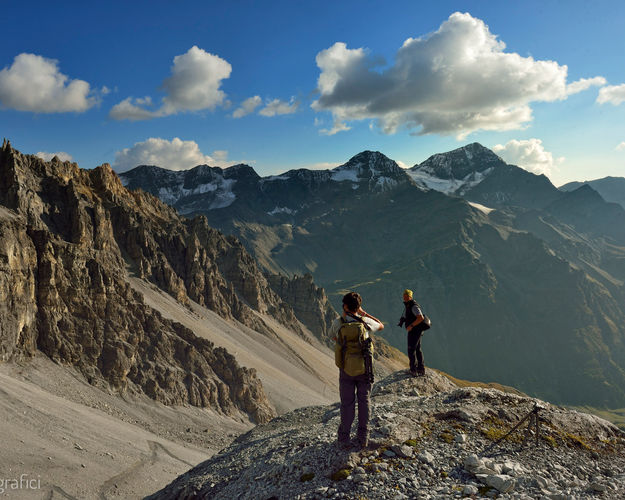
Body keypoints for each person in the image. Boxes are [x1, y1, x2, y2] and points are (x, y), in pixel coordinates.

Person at [331, 291, 384, 449]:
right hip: (364, 368)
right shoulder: (365, 322)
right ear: (358, 307)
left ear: (345, 306)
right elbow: (381, 325)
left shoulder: (338, 322)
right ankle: (363, 437)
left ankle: (344, 438)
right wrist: (363, 313)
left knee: (347, 403)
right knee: (364, 401)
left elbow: (333, 337)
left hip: (346, 368)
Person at [399, 289, 426, 377]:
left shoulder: (413, 306)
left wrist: (411, 326)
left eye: (406, 296)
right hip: (417, 331)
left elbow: (420, 318)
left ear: (410, 297)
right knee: (417, 349)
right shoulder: (409, 305)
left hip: (415, 331)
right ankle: (421, 369)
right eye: (404, 296)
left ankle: (413, 370)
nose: (405, 298)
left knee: (411, 349)